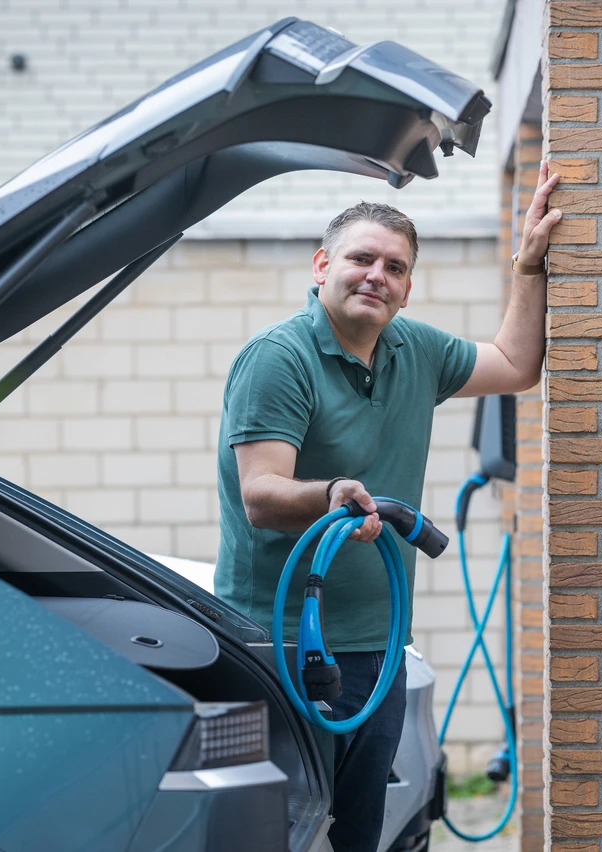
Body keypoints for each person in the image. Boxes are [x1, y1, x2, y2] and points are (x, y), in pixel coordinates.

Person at [214, 161, 559, 852]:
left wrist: (529, 268)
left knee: (357, 835)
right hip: (283, 645)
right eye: (361, 258)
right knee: (284, 834)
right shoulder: (279, 359)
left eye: (394, 267)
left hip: (378, 647)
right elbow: (260, 496)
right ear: (322, 265)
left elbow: (516, 365)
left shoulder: (415, 350)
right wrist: (331, 495)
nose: (376, 275)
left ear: (406, 288)